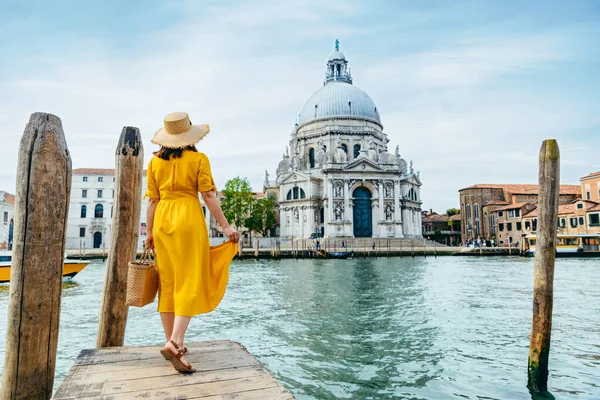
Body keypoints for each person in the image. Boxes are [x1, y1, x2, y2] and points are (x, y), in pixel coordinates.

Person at [145, 112, 240, 373]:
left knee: (168, 282)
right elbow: (208, 196)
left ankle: (174, 342)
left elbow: (152, 201)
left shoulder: (154, 164)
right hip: (188, 219)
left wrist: (149, 233)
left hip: (163, 221)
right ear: (189, 136)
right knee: (189, 279)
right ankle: (175, 343)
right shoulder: (199, 159)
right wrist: (225, 226)